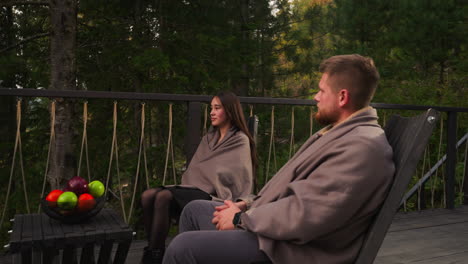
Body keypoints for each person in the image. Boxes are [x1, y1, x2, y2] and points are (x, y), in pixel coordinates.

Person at [162, 54, 396, 264]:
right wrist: (248, 204)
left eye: (322, 91)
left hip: (290, 251)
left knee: (183, 248)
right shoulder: (342, 133)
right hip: (276, 234)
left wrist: (241, 218)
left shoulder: (361, 147)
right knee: (194, 210)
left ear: (342, 96)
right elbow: (298, 195)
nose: (316, 97)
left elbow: (307, 213)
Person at [140, 91, 257, 264]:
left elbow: (237, 175)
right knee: (148, 195)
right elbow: (198, 168)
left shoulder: (240, 140)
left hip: (213, 194)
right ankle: (155, 251)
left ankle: (153, 259)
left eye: (217, 108)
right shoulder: (208, 138)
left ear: (230, 111)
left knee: (163, 197)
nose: (211, 112)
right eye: (211, 108)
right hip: (191, 188)